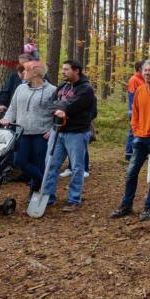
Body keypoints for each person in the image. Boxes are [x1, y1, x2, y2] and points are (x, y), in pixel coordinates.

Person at [110, 59, 150, 222]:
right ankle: (126, 205)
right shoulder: (139, 90)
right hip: (140, 138)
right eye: (145, 70)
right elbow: (135, 113)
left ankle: (149, 207)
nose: (146, 73)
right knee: (131, 172)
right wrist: (136, 130)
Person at [41, 59, 97, 211]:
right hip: (57, 131)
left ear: (76, 70)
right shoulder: (62, 87)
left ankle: (74, 199)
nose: (63, 72)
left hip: (77, 133)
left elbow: (72, 107)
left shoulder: (86, 89)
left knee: (77, 167)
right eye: (63, 69)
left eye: (66, 69)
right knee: (50, 164)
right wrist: (60, 109)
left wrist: (64, 109)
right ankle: (47, 197)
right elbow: (50, 105)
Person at [0, 61, 56, 198]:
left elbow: (57, 112)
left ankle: (36, 194)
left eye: (25, 70)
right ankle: (45, 184)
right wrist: (6, 119)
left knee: (39, 164)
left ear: (35, 73)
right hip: (22, 133)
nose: (23, 72)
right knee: (19, 161)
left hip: (41, 134)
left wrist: (52, 129)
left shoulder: (52, 90)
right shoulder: (20, 88)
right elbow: (13, 108)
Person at [126, 60, 146, 160]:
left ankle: (139, 153)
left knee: (140, 131)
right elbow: (133, 96)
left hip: (142, 110)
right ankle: (129, 154)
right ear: (139, 68)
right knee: (133, 131)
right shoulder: (134, 79)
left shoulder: (143, 80)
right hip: (134, 110)